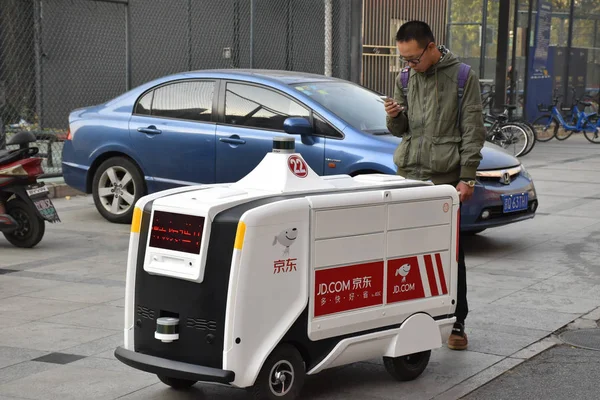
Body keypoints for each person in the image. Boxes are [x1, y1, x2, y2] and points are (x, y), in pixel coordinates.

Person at [385, 21, 486, 351]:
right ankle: (408, 316)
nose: (409, 66)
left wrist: (467, 176)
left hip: (444, 179)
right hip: (410, 174)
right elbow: (401, 129)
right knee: (405, 251)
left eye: (414, 58)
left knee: (450, 253)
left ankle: (458, 320)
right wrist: (393, 115)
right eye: (404, 60)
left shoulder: (462, 77)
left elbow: (473, 129)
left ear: (431, 47)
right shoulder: (405, 77)